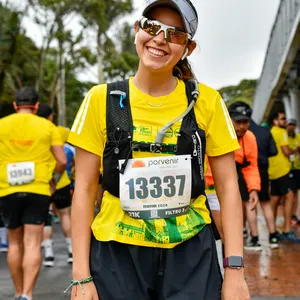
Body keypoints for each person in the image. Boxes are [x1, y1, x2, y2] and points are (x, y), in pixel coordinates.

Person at [67, 1, 250, 299]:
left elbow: (229, 188)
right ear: (137, 29)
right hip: (117, 252)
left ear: (188, 48)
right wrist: (80, 277)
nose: (160, 39)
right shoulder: (101, 99)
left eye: (175, 34)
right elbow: (85, 190)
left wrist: (235, 271)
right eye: (152, 27)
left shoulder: (207, 101)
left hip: (190, 251)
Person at [0, 87, 67, 300]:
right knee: (31, 243)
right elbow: (62, 161)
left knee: (14, 243)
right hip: (38, 188)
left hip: (7, 189)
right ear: (36, 106)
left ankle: (17, 291)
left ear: (14, 105)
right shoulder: (47, 126)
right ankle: (27, 294)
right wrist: (53, 180)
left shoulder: (2, 125)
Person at [37, 103, 73, 267]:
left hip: (42, 181)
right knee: (65, 215)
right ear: (51, 116)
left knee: (46, 217)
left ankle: (49, 255)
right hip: (61, 181)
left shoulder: (35, 131)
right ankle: (71, 251)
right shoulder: (61, 131)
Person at [227, 102, 265, 251]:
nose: (241, 126)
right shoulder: (218, 134)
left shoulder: (249, 137)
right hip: (213, 184)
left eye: (245, 122)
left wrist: (254, 189)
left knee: (249, 203)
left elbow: (251, 165)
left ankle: (254, 237)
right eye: (238, 122)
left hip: (241, 175)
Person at [249, 114, 280, 248]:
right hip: (263, 170)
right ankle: (273, 236)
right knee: (265, 203)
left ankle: (254, 238)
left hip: (248, 170)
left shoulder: (243, 132)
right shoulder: (265, 131)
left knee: (250, 205)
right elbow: (274, 151)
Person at [269, 111, 300, 242]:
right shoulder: (281, 132)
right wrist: (296, 150)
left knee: (274, 200)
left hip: (272, 170)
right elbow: (286, 151)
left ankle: (273, 232)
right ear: (275, 120)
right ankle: (287, 230)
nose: (285, 122)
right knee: (290, 198)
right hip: (283, 170)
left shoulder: (270, 131)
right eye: (282, 119)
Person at [286, 118, 300, 225]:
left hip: (297, 169)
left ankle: (294, 215)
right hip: (286, 169)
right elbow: (287, 151)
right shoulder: (284, 137)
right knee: (288, 194)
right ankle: (288, 215)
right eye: (289, 125)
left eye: (293, 125)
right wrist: (295, 150)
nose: (291, 127)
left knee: (296, 193)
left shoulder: (298, 137)